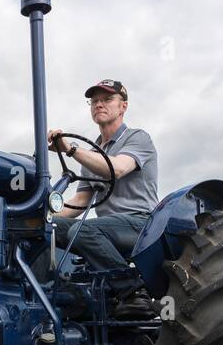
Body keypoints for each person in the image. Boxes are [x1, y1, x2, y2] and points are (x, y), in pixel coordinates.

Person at [47, 78, 160, 318]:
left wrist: (71, 149)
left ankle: (133, 292)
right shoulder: (93, 153)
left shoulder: (138, 138)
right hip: (106, 228)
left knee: (83, 230)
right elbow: (81, 201)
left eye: (107, 99)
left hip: (141, 225)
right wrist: (44, 217)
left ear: (123, 106)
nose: (99, 104)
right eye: (94, 101)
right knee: (52, 229)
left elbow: (115, 169)